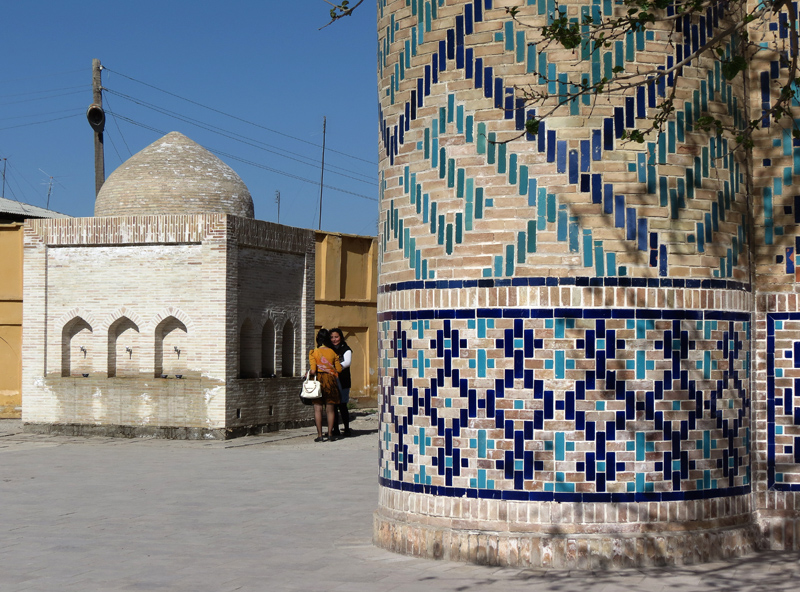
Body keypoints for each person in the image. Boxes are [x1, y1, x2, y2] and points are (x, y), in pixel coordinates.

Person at [308, 328, 343, 442]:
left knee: (318, 409)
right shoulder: (333, 353)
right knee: (330, 409)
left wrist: (307, 374)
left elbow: (313, 370)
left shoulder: (314, 352)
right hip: (331, 381)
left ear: (318, 339)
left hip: (318, 381)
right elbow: (338, 369)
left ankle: (319, 435)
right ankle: (330, 434)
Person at [330, 328, 352, 438]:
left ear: (341, 337)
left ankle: (347, 428)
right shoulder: (329, 349)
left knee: (343, 405)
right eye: (332, 337)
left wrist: (336, 368)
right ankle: (336, 429)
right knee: (333, 406)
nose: (334, 339)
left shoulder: (346, 349)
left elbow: (347, 362)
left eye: (336, 337)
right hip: (332, 381)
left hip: (343, 380)